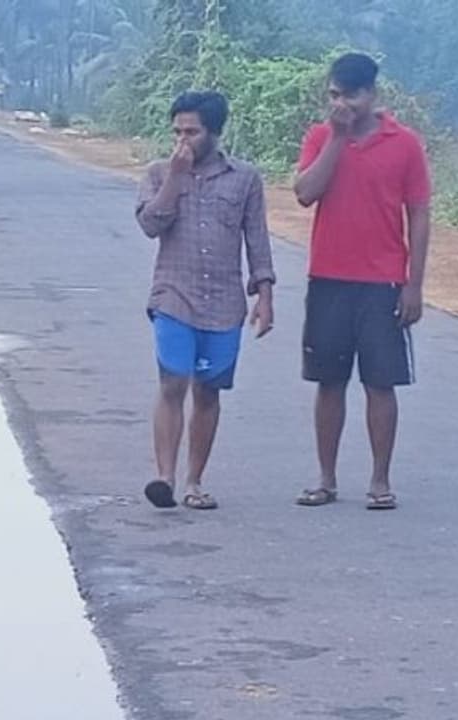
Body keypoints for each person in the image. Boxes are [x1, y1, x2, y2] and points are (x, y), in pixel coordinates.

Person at [292, 53, 432, 511]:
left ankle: (379, 481)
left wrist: (414, 284)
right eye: (335, 95)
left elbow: (419, 213)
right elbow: (305, 193)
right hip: (329, 277)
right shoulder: (320, 136)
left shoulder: (404, 144)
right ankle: (326, 479)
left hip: (383, 281)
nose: (342, 104)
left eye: (350, 95)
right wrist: (337, 138)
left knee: (380, 383)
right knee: (329, 381)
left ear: (371, 94)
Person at [135, 90, 276, 510]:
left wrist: (265, 295)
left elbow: (257, 239)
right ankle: (165, 477)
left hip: (224, 302)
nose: (183, 140)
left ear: (214, 132)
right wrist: (176, 179)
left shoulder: (245, 179)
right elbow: (151, 224)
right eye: (177, 131)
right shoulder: (159, 173)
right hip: (173, 295)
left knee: (209, 390)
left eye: (192, 132)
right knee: (172, 381)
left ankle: (194, 481)